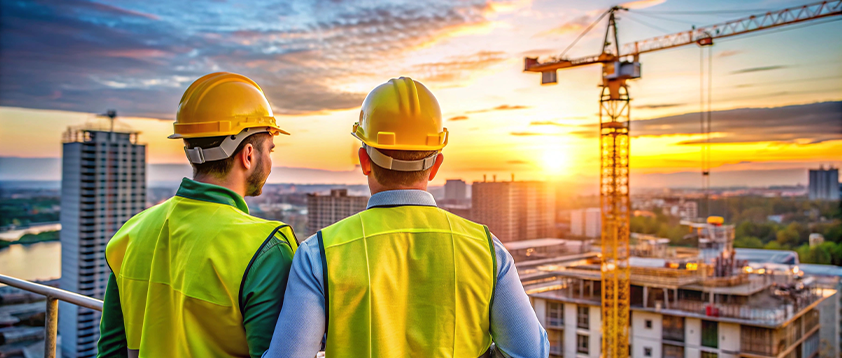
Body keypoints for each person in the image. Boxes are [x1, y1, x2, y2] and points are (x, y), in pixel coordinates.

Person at [263, 77, 549, 358]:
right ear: (436, 165)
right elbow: (531, 352)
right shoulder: (487, 251)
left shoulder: (319, 255)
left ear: (364, 161)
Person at [97, 72, 298, 358]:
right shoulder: (267, 248)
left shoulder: (131, 232)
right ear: (249, 154)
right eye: (270, 149)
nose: (270, 160)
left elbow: (110, 351)